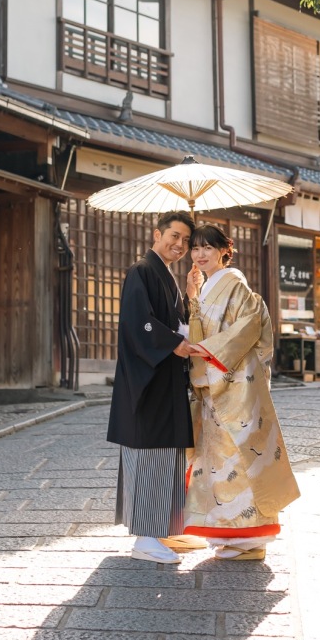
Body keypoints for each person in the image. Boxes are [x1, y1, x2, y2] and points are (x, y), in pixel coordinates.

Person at [182, 224, 300, 560]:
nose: (200, 254)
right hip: (213, 386)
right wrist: (193, 299)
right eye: (195, 248)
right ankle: (229, 535)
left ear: (224, 251)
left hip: (233, 386)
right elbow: (201, 332)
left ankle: (251, 539)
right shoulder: (206, 287)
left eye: (208, 247)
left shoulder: (234, 284)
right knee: (217, 463)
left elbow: (248, 326)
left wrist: (208, 350)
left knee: (241, 457)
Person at [107, 211, 205, 564]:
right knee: (150, 455)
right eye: (174, 236)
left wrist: (190, 294)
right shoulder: (142, 270)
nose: (180, 245)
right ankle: (145, 538)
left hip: (164, 379)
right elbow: (139, 323)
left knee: (167, 455)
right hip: (146, 383)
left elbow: (176, 323)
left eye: (186, 241)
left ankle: (162, 528)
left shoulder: (166, 275)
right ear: (157, 234)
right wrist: (174, 343)